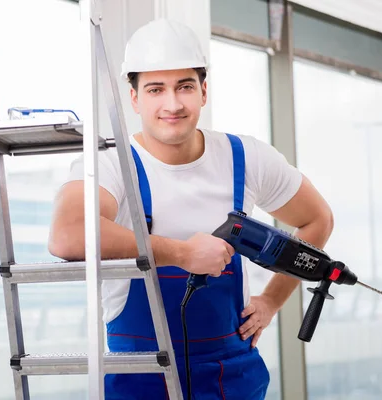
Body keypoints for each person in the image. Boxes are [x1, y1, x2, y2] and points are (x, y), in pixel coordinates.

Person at [48, 18, 334, 400]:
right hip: (140, 376)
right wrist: (181, 253)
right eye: (155, 89)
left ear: (203, 91)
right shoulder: (112, 163)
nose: (173, 103)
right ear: (134, 98)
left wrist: (270, 300)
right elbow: (68, 234)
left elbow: (317, 220)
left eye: (184, 86)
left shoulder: (245, 158)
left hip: (232, 376)